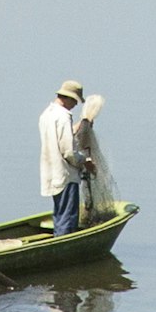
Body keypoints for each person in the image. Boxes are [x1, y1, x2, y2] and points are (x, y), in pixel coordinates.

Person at [37, 80, 103, 237]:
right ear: (67, 97)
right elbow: (68, 152)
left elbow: (58, 138)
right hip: (65, 175)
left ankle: (58, 239)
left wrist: (78, 127)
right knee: (67, 218)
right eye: (74, 101)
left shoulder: (47, 114)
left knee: (60, 214)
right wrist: (84, 162)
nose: (75, 104)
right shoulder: (64, 117)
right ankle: (63, 245)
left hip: (51, 172)